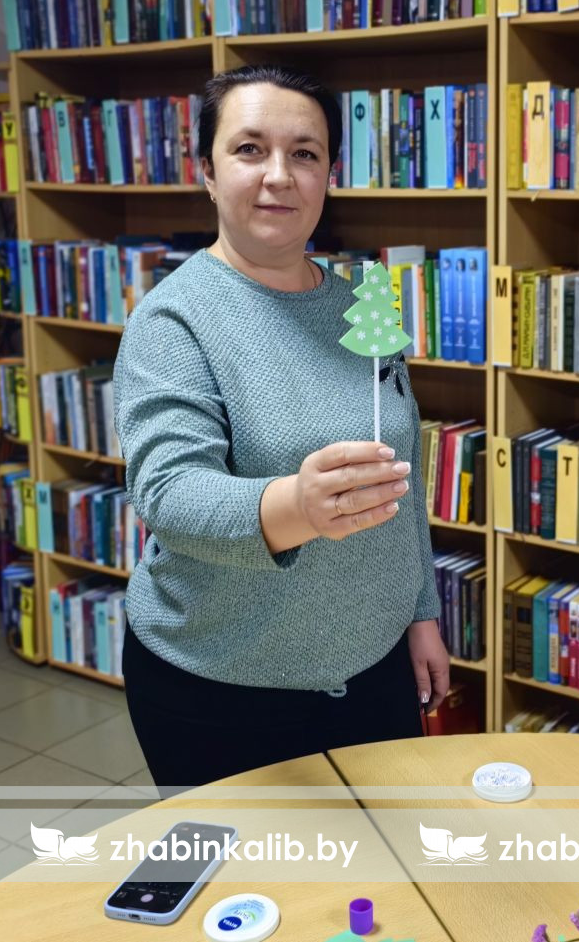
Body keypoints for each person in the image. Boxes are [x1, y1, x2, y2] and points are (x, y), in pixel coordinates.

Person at [113, 65, 450, 790]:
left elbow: (402, 477)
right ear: (207, 172)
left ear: (329, 175)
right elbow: (168, 494)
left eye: (304, 153)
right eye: (249, 149)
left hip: (376, 667)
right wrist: (296, 505)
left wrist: (419, 611)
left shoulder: (362, 306)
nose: (278, 175)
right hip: (221, 684)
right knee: (247, 865)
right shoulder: (172, 320)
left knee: (375, 862)